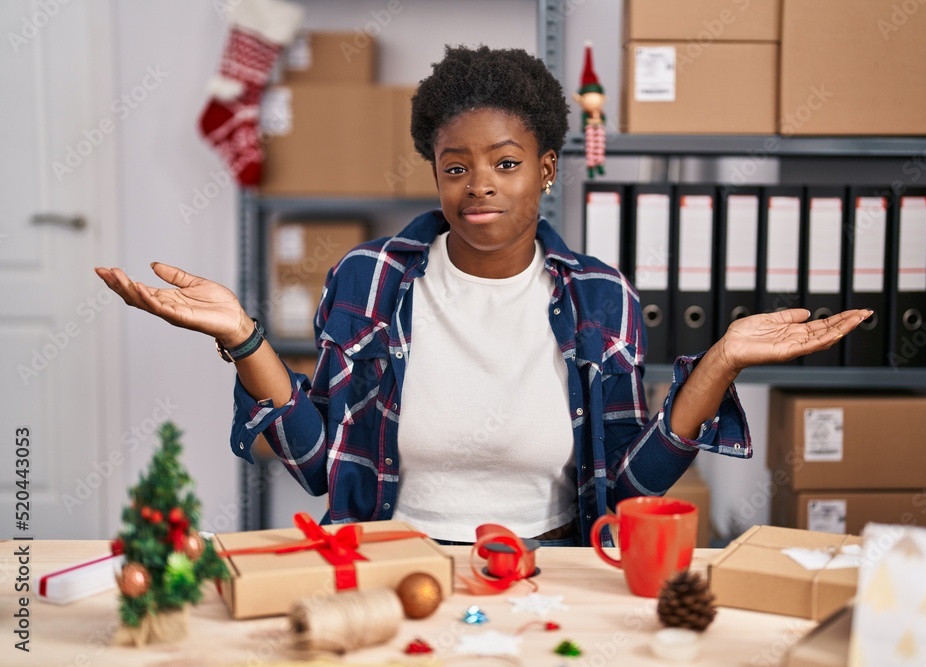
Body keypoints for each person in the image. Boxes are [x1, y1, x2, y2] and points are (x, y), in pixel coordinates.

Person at [95, 45, 868, 547]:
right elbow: (325, 467)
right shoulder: (369, 281)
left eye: (504, 161)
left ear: (546, 168)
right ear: (436, 173)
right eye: (456, 165)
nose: (480, 186)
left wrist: (721, 362)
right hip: (389, 564)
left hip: (551, 573)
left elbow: (628, 487)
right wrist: (243, 337)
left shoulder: (601, 299)